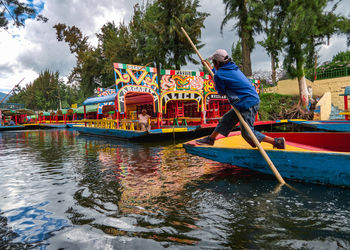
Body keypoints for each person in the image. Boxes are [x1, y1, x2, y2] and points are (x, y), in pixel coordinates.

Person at [196, 49, 285, 149]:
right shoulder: (232, 67)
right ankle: (211, 139)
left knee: (247, 133)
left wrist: (215, 74)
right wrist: (211, 69)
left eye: (213, 62)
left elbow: (221, 92)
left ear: (217, 62)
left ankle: (277, 142)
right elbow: (222, 75)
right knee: (226, 119)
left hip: (247, 103)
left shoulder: (219, 75)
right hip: (245, 101)